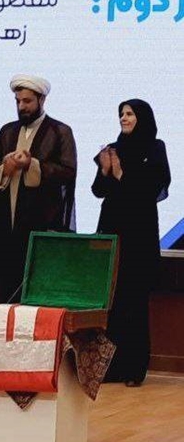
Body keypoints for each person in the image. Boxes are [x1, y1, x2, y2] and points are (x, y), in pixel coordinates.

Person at [92, 99, 170, 386]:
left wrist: (121, 174)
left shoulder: (155, 147)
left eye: (129, 114)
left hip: (138, 232)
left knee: (134, 300)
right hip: (112, 230)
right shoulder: (113, 149)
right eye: (121, 114)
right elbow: (98, 191)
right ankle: (111, 367)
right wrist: (104, 171)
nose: (123, 118)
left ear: (142, 117)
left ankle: (135, 369)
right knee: (112, 302)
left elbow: (156, 185)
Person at [0, 74, 77, 303]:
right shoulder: (7, 131)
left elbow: (68, 171)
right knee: (2, 290)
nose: (22, 107)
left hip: (41, 225)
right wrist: (5, 166)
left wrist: (32, 165)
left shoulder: (60, 131)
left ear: (41, 100)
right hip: (7, 227)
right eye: (18, 101)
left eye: (27, 101)